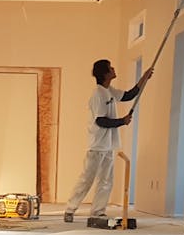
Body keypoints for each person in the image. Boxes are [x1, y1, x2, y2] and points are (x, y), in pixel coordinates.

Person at [64, 59, 153, 223]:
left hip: (108, 145)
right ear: (105, 73)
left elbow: (129, 95)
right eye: (110, 68)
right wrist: (122, 121)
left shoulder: (109, 91)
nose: (113, 69)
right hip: (97, 145)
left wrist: (144, 78)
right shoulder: (98, 94)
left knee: (106, 181)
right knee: (87, 179)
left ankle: (98, 212)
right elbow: (100, 121)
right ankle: (70, 209)